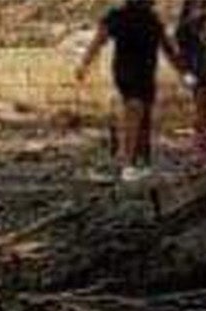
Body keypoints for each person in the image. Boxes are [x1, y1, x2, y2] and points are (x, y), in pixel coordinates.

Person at [76, 0, 185, 181]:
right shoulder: (120, 17)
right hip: (128, 72)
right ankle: (128, 163)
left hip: (146, 72)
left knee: (145, 116)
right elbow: (99, 39)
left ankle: (142, 161)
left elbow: (167, 47)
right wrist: (85, 64)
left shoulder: (151, 19)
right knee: (134, 113)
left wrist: (182, 70)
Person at [173, 0, 206, 158]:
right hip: (196, 71)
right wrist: (185, 72)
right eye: (197, 6)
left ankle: (203, 139)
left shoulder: (200, 27)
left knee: (205, 106)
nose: (201, 9)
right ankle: (200, 142)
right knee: (200, 107)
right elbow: (179, 51)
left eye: (202, 6)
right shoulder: (185, 27)